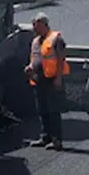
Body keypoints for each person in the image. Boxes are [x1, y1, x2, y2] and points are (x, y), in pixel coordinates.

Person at [25, 12, 68, 149]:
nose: (34, 29)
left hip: (52, 79)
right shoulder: (35, 41)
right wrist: (30, 67)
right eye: (33, 26)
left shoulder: (56, 39)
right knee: (42, 109)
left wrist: (58, 77)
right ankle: (45, 137)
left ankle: (57, 140)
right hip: (39, 79)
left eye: (36, 26)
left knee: (53, 110)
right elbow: (34, 58)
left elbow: (61, 59)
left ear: (44, 24)